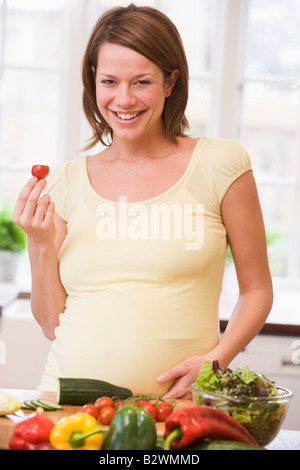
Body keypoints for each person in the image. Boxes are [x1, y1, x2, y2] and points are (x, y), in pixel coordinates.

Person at [13, 4, 273, 399]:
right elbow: (52, 324)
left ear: (171, 82)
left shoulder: (220, 164)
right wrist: (39, 243)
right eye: (110, 81)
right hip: (69, 408)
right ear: (93, 82)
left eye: (141, 82)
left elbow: (257, 290)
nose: (124, 99)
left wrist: (217, 358)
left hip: (180, 411)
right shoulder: (65, 182)